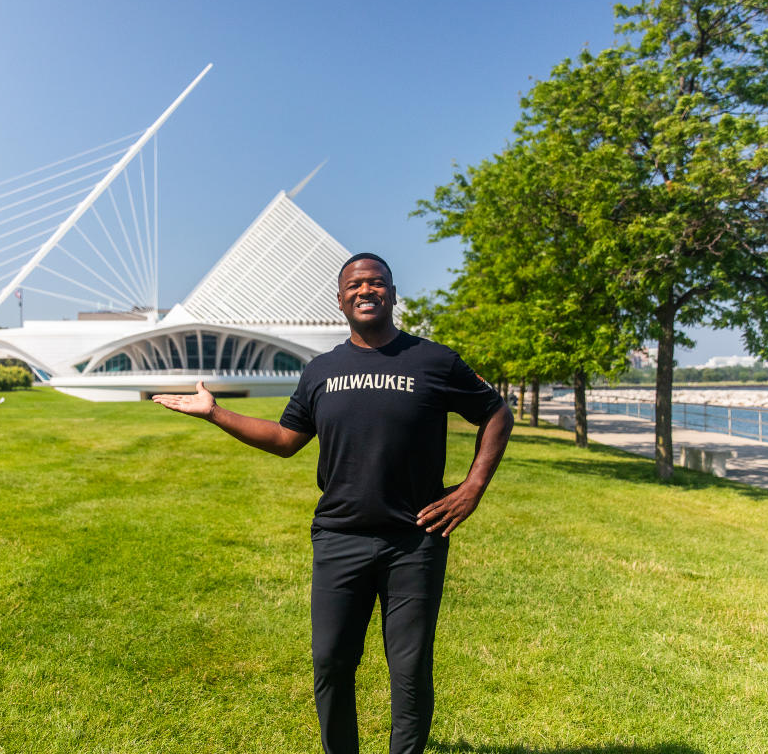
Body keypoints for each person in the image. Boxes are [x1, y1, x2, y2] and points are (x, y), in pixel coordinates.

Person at [152, 253, 513, 754]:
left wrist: (471, 488)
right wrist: (215, 412)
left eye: (377, 283)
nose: (366, 291)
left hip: (415, 541)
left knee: (409, 670)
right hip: (339, 538)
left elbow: (496, 411)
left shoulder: (433, 360)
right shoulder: (321, 370)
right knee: (332, 664)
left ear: (392, 293)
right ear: (339, 298)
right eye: (355, 285)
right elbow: (284, 438)